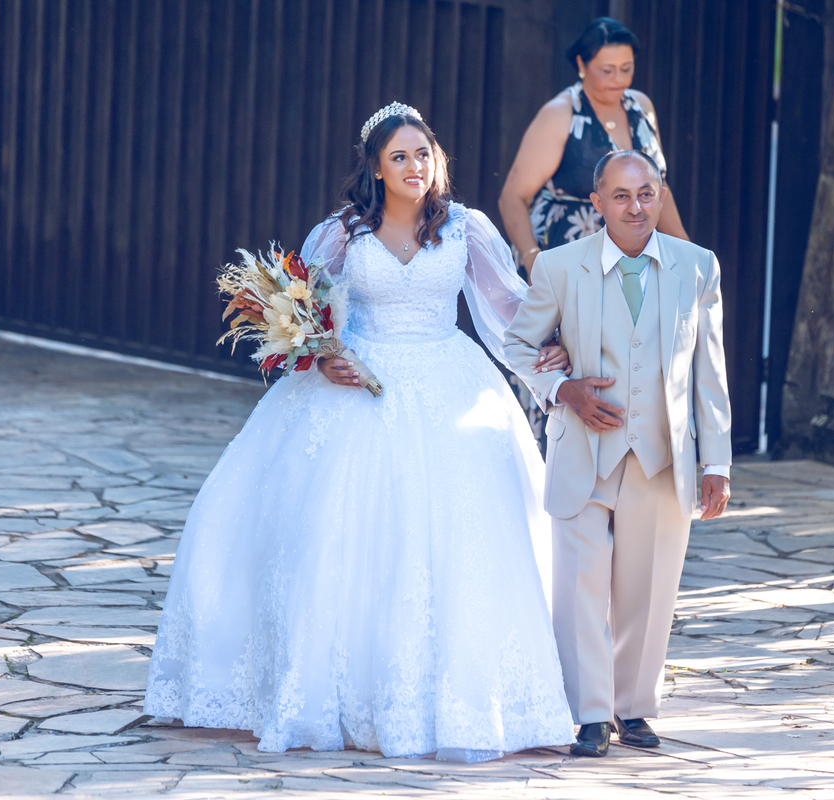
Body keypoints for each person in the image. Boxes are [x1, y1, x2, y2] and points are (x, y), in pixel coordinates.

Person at [143, 102, 576, 761]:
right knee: (332, 537)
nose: (414, 166)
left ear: (437, 161)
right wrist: (323, 357)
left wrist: (557, 355)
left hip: (449, 381)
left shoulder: (466, 228)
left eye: (423, 154)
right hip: (355, 386)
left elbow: (510, 309)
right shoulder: (342, 234)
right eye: (399, 157)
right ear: (376, 167)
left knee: (458, 537)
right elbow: (305, 316)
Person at [503, 150, 733, 757]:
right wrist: (563, 388)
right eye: (621, 195)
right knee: (580, 587)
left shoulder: (697, 266)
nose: (636, 207)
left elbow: (710, 372)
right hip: (584, 452)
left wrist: (716, 464)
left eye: (646, 193)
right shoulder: (559, 267)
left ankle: (632, 709)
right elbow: (518, 344)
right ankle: (589, 715)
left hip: (661, 458)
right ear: (597, 202)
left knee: (648, 589)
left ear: (661, 196)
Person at [498, 17, 689, 282]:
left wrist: (686, 251)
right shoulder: (560, 114)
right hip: (565, 258)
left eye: (626, 69)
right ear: (581, 64)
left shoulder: (641, 107)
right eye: (607, 70)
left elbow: (658, 186)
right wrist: (534, 261)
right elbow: (512, 198)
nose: (618, 79)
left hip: (630, 257)